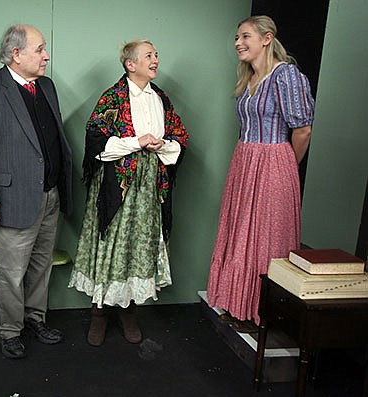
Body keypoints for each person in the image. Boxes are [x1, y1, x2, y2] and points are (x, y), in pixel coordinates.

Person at [69, 40, 189, 346]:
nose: (156, 60)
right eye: (149, 55)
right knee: (111, 246)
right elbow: (96, 142)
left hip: (149, 187)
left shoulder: (160, 98)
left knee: (139, 247)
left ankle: (129, 312)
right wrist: (137, 142)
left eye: (157, 54)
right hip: (117, 186)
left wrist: (164, 145)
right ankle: (99, 314)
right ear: (130, 64)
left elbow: (179, 137)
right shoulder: (114, 97)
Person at [0, 24, 73, 359]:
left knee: (40, 265)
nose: (46, 56)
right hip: (11, 200)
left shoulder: (47, 87)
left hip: (50, 194)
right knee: (10, 271)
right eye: (39, 49)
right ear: (16, 54)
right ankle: (10, 331)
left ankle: (34, 318)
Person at [206, 16, 314, 333]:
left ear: (266, 38)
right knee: (241, 232)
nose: (238, 42)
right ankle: (240, 305)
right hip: (245, 161)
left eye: (245, 36)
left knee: (266, 236)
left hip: (273, 159)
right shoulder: (249, 79)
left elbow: (303, 129)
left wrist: (284, 166)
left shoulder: (286, 75)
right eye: (236, 38)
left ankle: (264, 310)